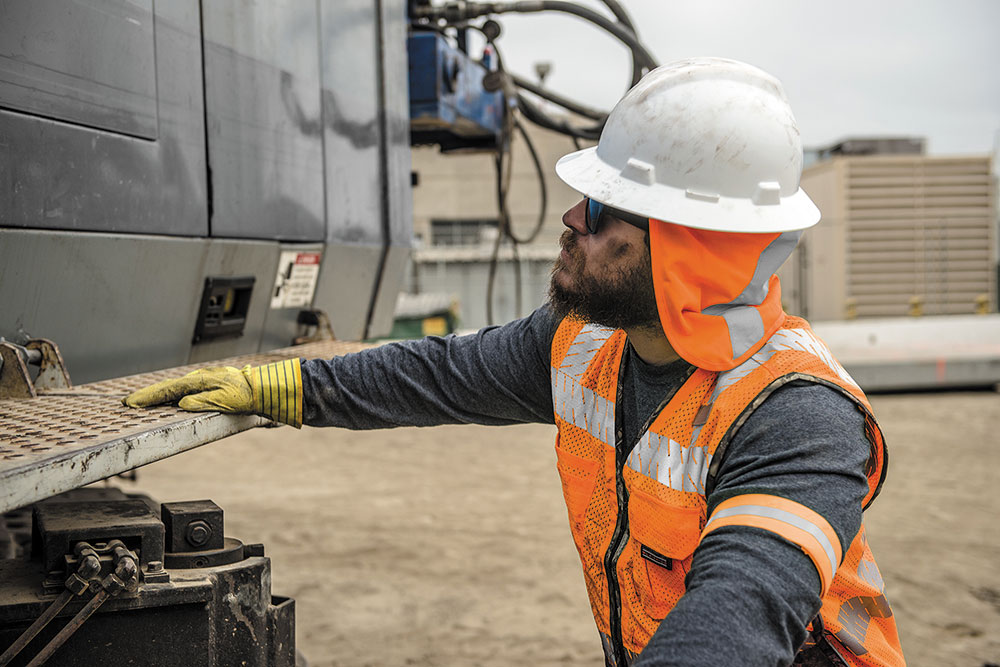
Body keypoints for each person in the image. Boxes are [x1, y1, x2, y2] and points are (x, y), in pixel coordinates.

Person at [124, 58, 905, 667]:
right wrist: (280, 385)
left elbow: (740, 612)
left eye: (601, 209)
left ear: (686, 246)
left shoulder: (798, 415)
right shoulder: (583, 342)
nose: (570, 218)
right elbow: (436, 373)